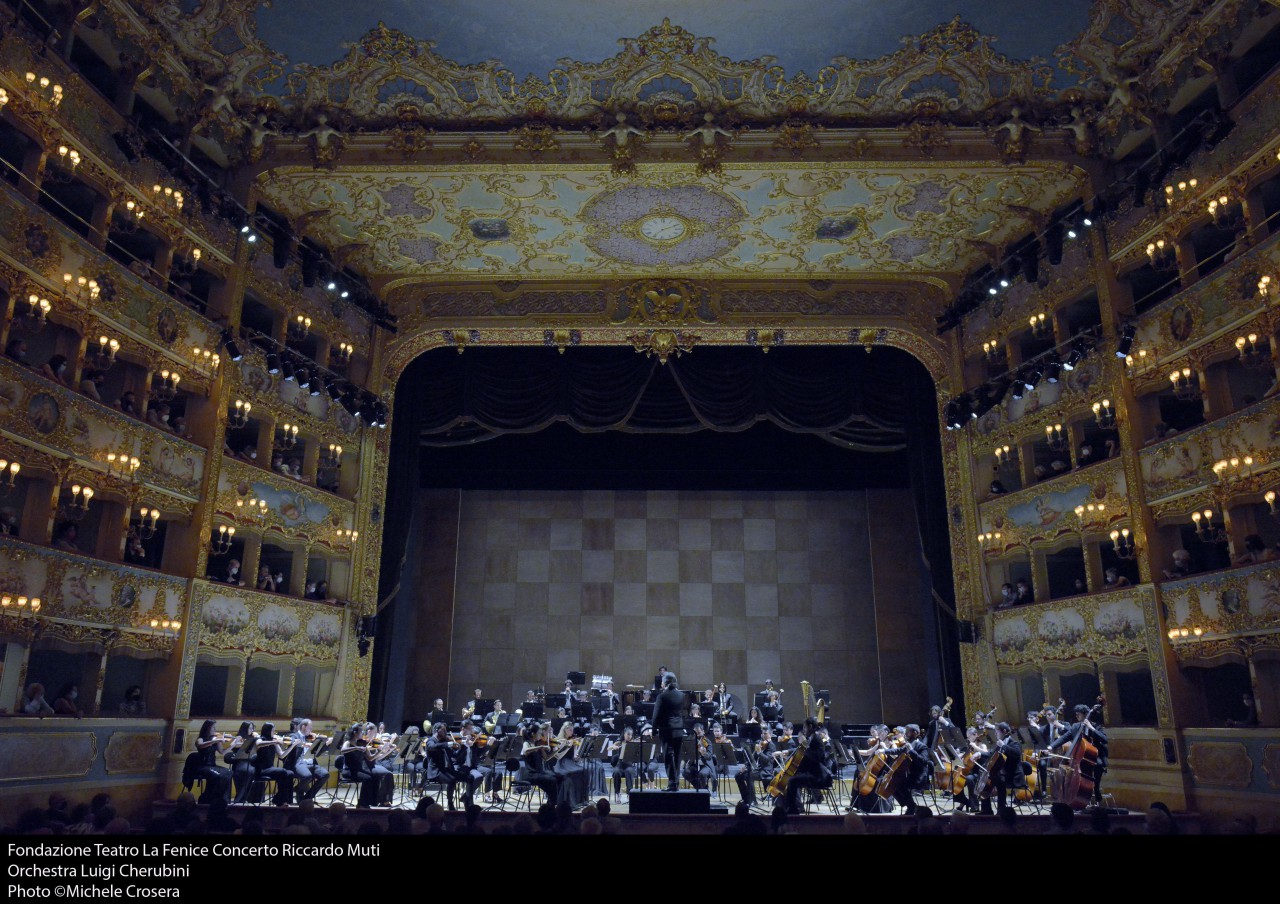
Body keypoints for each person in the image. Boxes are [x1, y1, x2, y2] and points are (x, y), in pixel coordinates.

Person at [1049, 704, 1108, 807]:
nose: (1076, 716)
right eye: (1076, 714)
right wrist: (1051, 746)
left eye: (1079, 714)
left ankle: (1096, 788)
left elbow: (1104, 739)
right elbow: (1064, 738)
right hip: (1078, 758)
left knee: (1098, 765)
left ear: (1086, 715)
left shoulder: (1096, 726)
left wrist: (1091, 728)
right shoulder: (1076, 726)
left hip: (1094, 756)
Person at [781, 718, 830, 815]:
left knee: (792, 781)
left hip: (818, 775)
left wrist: (806, 749)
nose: (803, 729)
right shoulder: (811, 738)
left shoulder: (816, 739)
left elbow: (818, 758)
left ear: (810, 727)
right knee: (791, 778)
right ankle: (791, 807)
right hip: (813, 772)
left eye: (804, 727)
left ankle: (793, 809)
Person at [653, 671, 687, 791]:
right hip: (679, 730)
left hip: (666, 729)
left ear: (665, 683)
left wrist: (653, 730)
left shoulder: (662, 696)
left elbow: (656, 715)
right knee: (677, 757)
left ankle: (671, 783)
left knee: (668, 756)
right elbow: (683, 713)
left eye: (662, 682)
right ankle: (676, 782)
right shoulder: (682, 695)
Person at [192, 721, 232, 804]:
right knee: (217, 775)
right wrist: (214, 741)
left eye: (215, 727)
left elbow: (222, 752)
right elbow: (201, 745)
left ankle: (223, 799)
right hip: (202, 766)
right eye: (213, 727)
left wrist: (233, 744)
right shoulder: (200, 739)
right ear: (207, 728)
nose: (215, 729)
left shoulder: (216, 739)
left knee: (229, 772)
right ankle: (208, 797)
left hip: (212, 765)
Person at [289, 718, 330, 800]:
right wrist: (305, 744)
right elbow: (293, 743)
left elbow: (319, 749)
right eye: (310, 727)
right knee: (307, 776)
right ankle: (300, 790)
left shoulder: (310, 737)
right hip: (299, 763)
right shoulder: (294, 735)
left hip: (311, 763)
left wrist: (322, 740)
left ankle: (307, 797)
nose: (311, 729)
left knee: (325, 775)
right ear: (303, 727)